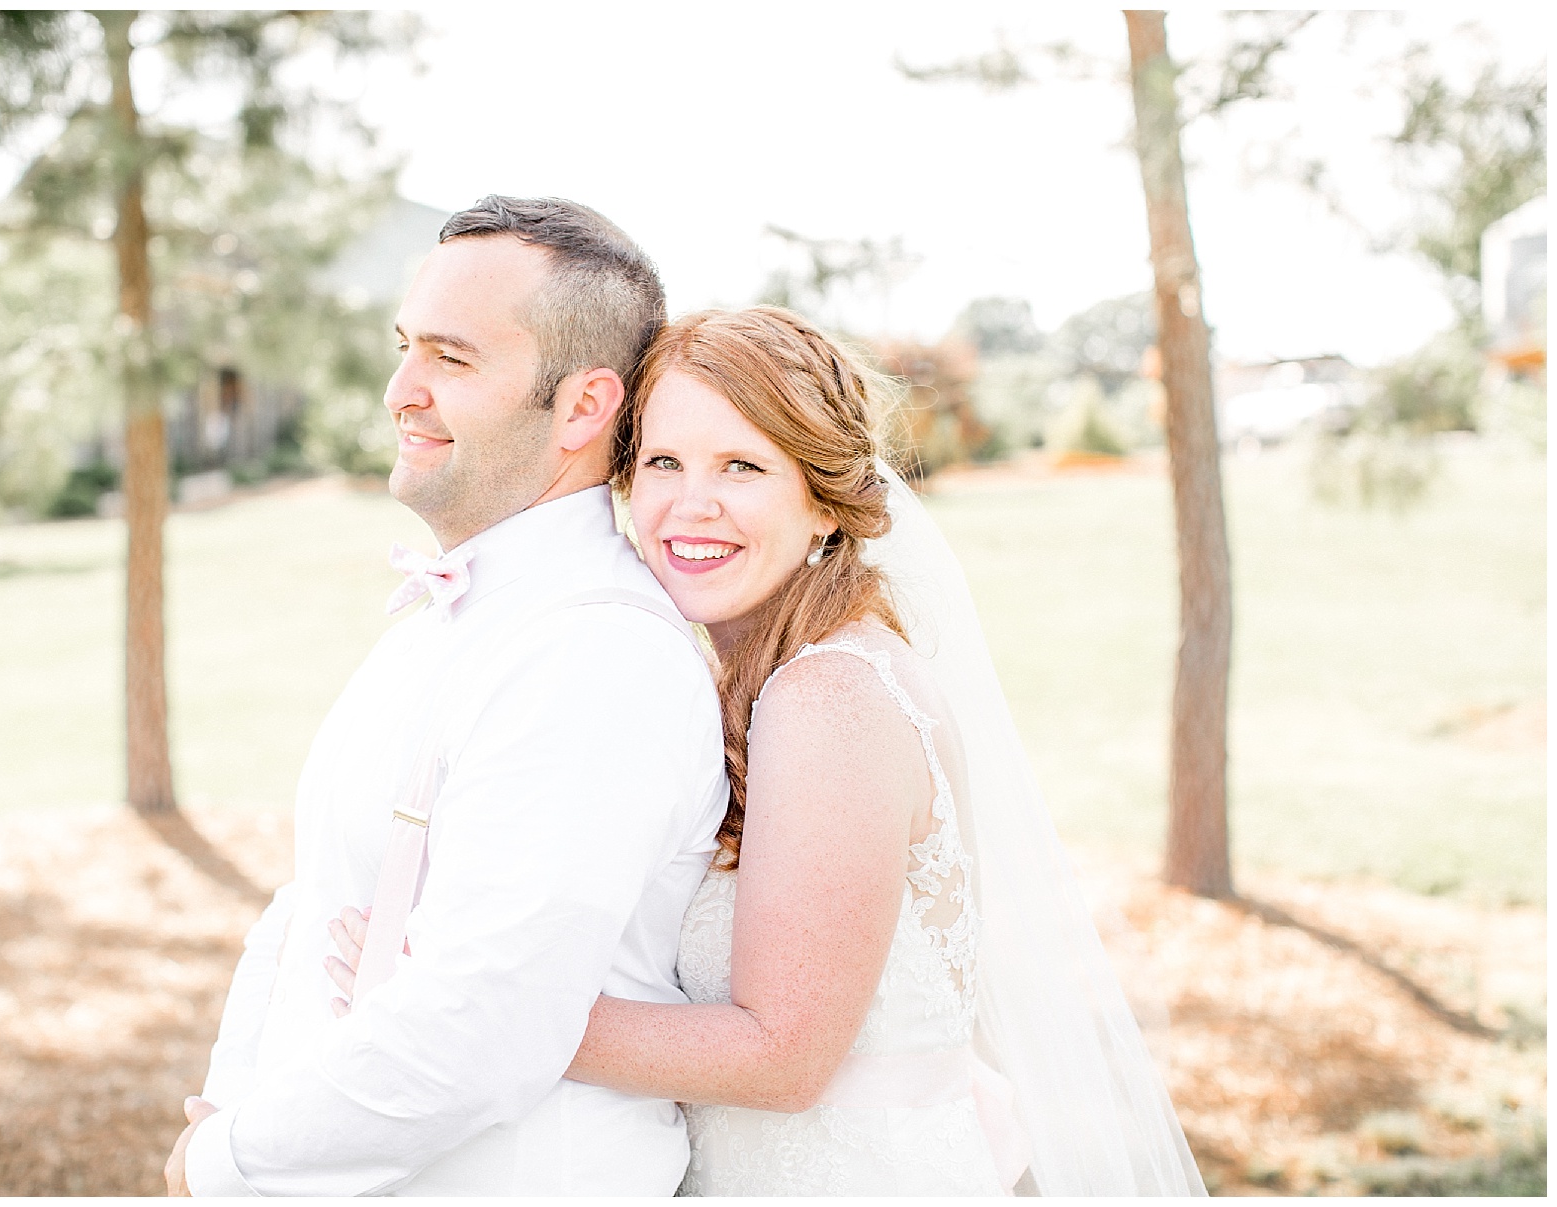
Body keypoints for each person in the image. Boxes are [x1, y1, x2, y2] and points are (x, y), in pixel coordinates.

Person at [328, 306, 1207, 1195]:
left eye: (742, 466)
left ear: (824, 503)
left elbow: (783, 1056)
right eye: (664, 462)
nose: (692, 503)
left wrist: (464, 1005)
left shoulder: (828, 696)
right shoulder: (749, 680)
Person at [166, 197, 728, 1196]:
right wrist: (226, 1107)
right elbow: (311, 903)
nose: (400, 392)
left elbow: (481, 1024)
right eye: (404, 349)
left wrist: (229, 1161)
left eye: (450, 359)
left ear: (582, 407)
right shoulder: (446, 617)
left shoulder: (599, 657)